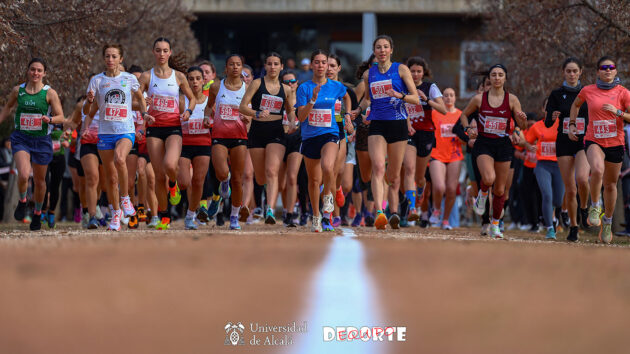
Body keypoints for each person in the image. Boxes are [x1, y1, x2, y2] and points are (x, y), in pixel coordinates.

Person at [83, 44, 149, 231]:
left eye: (114, 56)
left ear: (121, 59)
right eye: (107, 56)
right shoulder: (97, 81)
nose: (110, 60)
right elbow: (89, 111)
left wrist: (144, 115)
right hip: (105, 133)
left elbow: (140, 97)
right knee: (111, 179)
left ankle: (126, 199)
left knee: (121, 158)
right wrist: (88, 102)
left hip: (125, 131)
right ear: (104, 59)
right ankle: (116, 214)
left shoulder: (128, 79)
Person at [356, 35, 419, 229]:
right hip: (377, 125)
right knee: (377, 167)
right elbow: (367, 99)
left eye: (385, 47)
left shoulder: (401, 69)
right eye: (378, 47)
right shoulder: (369, 74)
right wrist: (358, 110)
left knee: (392, 176)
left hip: (398, 124)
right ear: (374, 51)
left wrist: (399, 95)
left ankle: (395, 212)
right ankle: (380, 212)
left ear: (391, 50)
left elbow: (416, 98)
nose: (382, 50)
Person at [458, 64, 527, 239]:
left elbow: (521, 126)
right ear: (489, 77)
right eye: (494, 75)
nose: (497, 78)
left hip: (503, 144)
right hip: (483, 144)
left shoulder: (512, 99)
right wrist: (467, 129)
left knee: (500, 190)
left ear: (505, 78)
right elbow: (463, 115)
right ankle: (481, 195)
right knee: (488, 178)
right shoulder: (479, 99)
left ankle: (495, 224)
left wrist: (519, 129)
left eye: (500, 75)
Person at [569, 56, 630, 244]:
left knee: (611, 185)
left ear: (615, 71)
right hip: (594, 140)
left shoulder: (623, 93)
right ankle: (595, 205)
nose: (608, 70)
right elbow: (575, 105)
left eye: (611, 67)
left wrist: (617, 112)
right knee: (596, 169)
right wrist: (572, 124)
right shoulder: (588, 90)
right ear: (598, 71)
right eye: (604, 67)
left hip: (616, 143)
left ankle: (608, 221)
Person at [0, 57, 65, 230]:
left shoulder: (50, 93)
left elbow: (61, 117)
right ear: (28, 71)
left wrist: (49, 119)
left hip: (42, 140)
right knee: (23, 173)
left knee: (40, 181)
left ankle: (37, 213)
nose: (35, 73)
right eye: (32, 69)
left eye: (39, 70)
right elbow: (8, 108)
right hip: (21, 138)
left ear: (44, 73)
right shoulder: (17, 91)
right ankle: (22, 201)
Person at [138, 37, 196, 230]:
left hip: (173, 127)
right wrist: (144, 112)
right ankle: (164, 215)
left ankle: (173, 184)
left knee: (170, 165)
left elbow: (192, 98)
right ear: (153, 52)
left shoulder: (178, 76)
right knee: (157, 175)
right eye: (158, 50)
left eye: (165, 50)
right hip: (154, 129)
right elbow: (136, 99)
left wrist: (188, 111)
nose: (162, 54)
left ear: (170, 53)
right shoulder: (146, 77)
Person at [295, 49, 353, 232]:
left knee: (328, 167)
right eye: (317, 62)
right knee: (313, 181)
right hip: (310, 136)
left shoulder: (335, 86)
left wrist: (348, 115)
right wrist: (312, 100)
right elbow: (302, 117)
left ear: (328, 65)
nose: (321, 65)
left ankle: (328, 200)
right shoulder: (304, 88)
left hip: (330, 133)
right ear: (312, 65)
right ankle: (316, 216)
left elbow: (347, 96)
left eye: (323, 62)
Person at [239, 52, 295, 224]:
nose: (272, 67)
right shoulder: (257, 83)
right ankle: (261, 202)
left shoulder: (286, 89)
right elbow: (242, 106)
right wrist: (256, 112)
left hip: (276, 131)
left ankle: (269, 210)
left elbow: (291, 110)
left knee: (272, 171)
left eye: (276, 64)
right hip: (257, 131)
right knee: (261, 177)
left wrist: (292, 122)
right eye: (269, 64)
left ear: (281, 67)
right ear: (265, 66)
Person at [544, 57, 590, 241]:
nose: (571, 74)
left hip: (583, 142)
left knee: (582, 179)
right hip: (563, 142)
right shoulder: (556, 94)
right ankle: (573, 226)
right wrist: (553, 117)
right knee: (570, 190)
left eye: (575, 71)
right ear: (563, 72)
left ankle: (585, 208)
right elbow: (548, 123)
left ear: (580, 72)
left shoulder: (588, 92)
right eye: (568, 71)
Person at [206, 55, 251, 230]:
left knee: (238, 180)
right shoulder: (216, 86)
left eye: (238, 64)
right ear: (226, 67)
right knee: (222, 172)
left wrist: (248, 119)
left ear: (241, 68)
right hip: (220, 135)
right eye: (231, 64)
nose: (234, 67)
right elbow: (209, 106)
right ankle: (224, 181)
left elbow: (250, 112)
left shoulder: (247, 89)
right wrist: (205, 116)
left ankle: (233, 216)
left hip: (239, 137)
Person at [402, 57, 446, 224]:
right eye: (412, 71)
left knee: (420, 177)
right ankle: (412, 208)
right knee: (409, 169)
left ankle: (420, 191)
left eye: (418, 71)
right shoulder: (402, 87)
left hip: (426, 133)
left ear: (423, 72)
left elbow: (443, 110)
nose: (415, 74)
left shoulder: (430, 87)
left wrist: (426, 99)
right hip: (408, 133)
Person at [326, 53, 359, 228]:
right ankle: (332, 213)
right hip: (324, 133)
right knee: (329, 171)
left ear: (339, 68)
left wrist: (351, 124)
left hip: (341, 133)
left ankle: (338, 190)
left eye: (333, 66)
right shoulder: (318, 88)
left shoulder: (347, 91)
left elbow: (354, 115)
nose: (329, 69)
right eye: (327, 65)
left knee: (343, 179)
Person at [429, 88, 464, 229]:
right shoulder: (435, 114)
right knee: (439, 186)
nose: (448, 98)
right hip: (436, 154)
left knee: (451, 189)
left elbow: (465, 137)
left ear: (455, 98)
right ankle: (436, 210)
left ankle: (446, 220)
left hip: (455, 155)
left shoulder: (461, 115)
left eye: (451, 95)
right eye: (446, 95)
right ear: (442, 98)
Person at [525, 114, 563, 240]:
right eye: (549, 108)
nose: (553, 112)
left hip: (559, 165)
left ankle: (552, 215)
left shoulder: (562, 124)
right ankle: (550, 228)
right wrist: (529, 146)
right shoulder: (537, 126)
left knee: (558, 201)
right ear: (544, 110)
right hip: (542, 165)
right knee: (547, 195)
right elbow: (525, 141)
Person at [279, 69, 302, 227]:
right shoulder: (278, 100)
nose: (290, 84)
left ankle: (290, 212)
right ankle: (287, 208)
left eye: (293, 81)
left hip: (297, 140)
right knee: (282, 183)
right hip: (280, 140)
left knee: (293, 177)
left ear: (297, 83)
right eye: (287, 82)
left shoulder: (303, 99)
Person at [40, 123, 70, 228]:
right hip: (45, 156)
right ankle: (42, 212)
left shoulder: (64, 122)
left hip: (59, 158)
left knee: (55, 186)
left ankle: (51, 213)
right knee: (44, 184)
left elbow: (69, 138)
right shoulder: (45, 117)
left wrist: (67, 141)